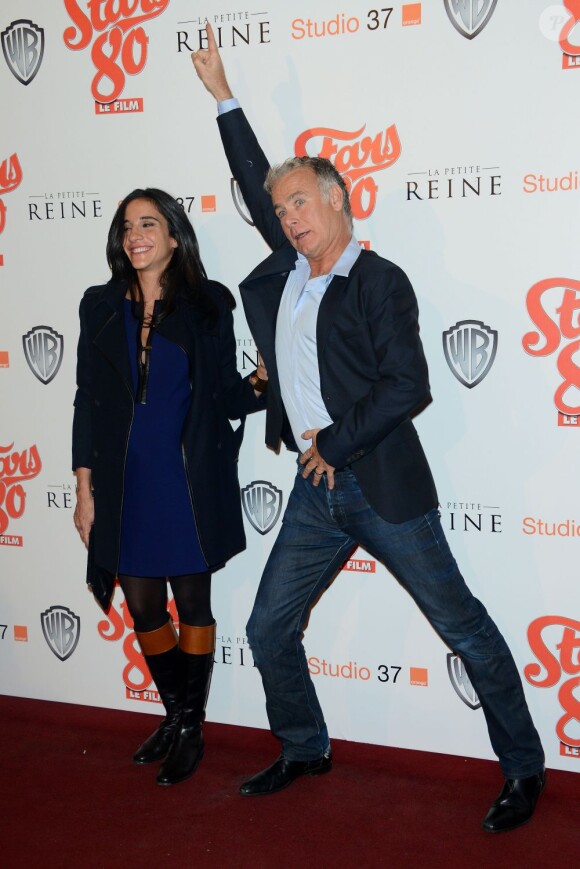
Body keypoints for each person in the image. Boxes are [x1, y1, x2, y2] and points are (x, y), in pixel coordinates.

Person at [191, 25, 546, 831]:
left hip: (379, 480)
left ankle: (524, 767)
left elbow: (408, 384)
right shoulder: (286, 275)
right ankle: (305, 743)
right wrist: (225, 96)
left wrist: (334, 444)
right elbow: (254, 182)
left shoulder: (379, 280)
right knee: (267, 623)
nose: (287, 218)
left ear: (340, 200)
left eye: (301, 202)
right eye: (280, 210)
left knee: (462, 624)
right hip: (316, 493)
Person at [72, 187, 267, 786]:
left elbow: (221, 395)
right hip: (124, 482)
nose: (135, 235)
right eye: (127, 226)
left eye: (149, 223)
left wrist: (261, 384)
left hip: (186, 481)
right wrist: (84, 488)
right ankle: (178, 715)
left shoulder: (208, 304)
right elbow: (88, 401)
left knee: (194, 604)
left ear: (175, 235)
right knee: (144, 605)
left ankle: (190, 726)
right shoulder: (100, 305)